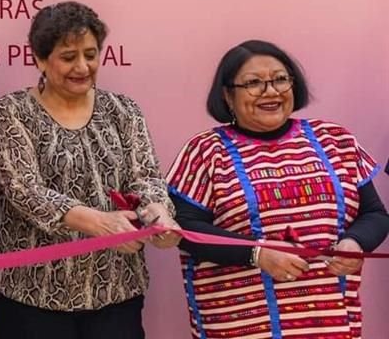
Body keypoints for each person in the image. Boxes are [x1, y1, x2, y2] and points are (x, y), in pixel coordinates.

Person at [0, 1, 179, 339]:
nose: (83, 66)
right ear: (40, 59)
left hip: (114, 288)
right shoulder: (13, 111)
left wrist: (158, 214)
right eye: (69, 57)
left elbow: (145, 178)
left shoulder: (123, 110)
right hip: (29, 292)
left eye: (91, 54)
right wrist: (100, 223)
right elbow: (24, 190)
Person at [167, 39, 389, 339]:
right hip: (240, 325)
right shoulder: (206, 151)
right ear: (228, 96)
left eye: (280, 79)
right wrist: (257, 254)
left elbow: (374, 213)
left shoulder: (335, 139)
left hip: (330, 321)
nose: (270, 91)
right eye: (253, 83)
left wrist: (355, 243)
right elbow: (183, 228)